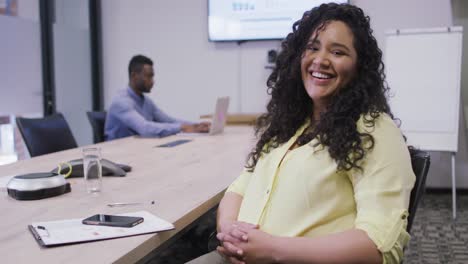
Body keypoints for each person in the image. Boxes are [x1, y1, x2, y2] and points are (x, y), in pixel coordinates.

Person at [188, 3, 415, 264]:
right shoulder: (289, 126)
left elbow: (378, 245)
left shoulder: (374, 130)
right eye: (312, 48)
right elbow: (239, 188)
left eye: (338, 52)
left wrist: (272, 249)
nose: (320, 60)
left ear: (359, 67)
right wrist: (228, 229)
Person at [105, 55, 210, 140]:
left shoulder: (146, 101)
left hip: (138, 149)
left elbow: (168, 120)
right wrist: (182, 127)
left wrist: (196, 126)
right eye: (149, 76)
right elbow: (144, 128)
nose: (152, 81)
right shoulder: (121, 102)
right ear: (134, 76)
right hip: (118, 156)